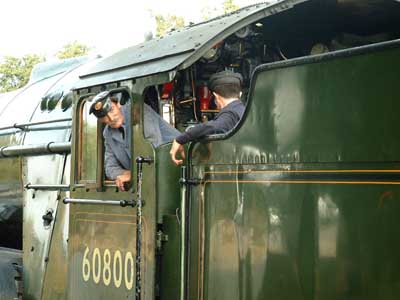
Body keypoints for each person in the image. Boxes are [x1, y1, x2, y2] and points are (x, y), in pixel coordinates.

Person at [90, 91, 179, 190]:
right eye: (104, 116)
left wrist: (133, 174)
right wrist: (126, 173)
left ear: (118, 104)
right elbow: (110, 167)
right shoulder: (108, 134)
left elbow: (153, 154)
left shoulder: (139, 111)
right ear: (101, 120)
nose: (111, 118)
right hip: (151, 182)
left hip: (176, 171)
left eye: (111, 109)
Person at [170, 70, 245, 166]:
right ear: (240, 94)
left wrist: (180, 139)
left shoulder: (230, 114)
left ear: (215, 96)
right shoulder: (242, 110)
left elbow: (214, 127)